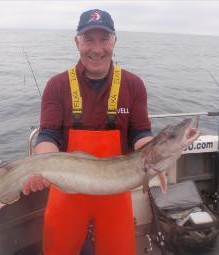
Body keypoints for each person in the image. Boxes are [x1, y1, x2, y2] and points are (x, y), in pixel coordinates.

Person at [22, 9, 154, 255]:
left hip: (116, 190)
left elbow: (140, 133)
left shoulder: (133, 85)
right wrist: (40, 165)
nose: (96, 49)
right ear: (77, 42)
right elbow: (48, 136)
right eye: (88, 39)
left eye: (104, 39)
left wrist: (156, 149)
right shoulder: (57, 85)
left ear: (114, 40)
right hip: (66, 190)